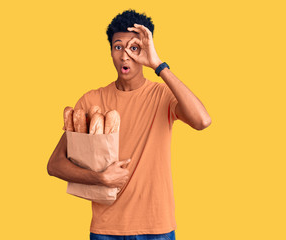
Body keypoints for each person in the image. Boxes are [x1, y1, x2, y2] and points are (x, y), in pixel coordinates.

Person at [47, 9, 211, 240]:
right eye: (118, 47)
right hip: (105, 229)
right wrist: (100, 178)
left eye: (134, 48)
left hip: (157, 228)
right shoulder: (90, 101)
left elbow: (203, 121)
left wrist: (158, 64)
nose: (125, 56)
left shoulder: (163, 95)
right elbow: (54, 165)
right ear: (110, 51)